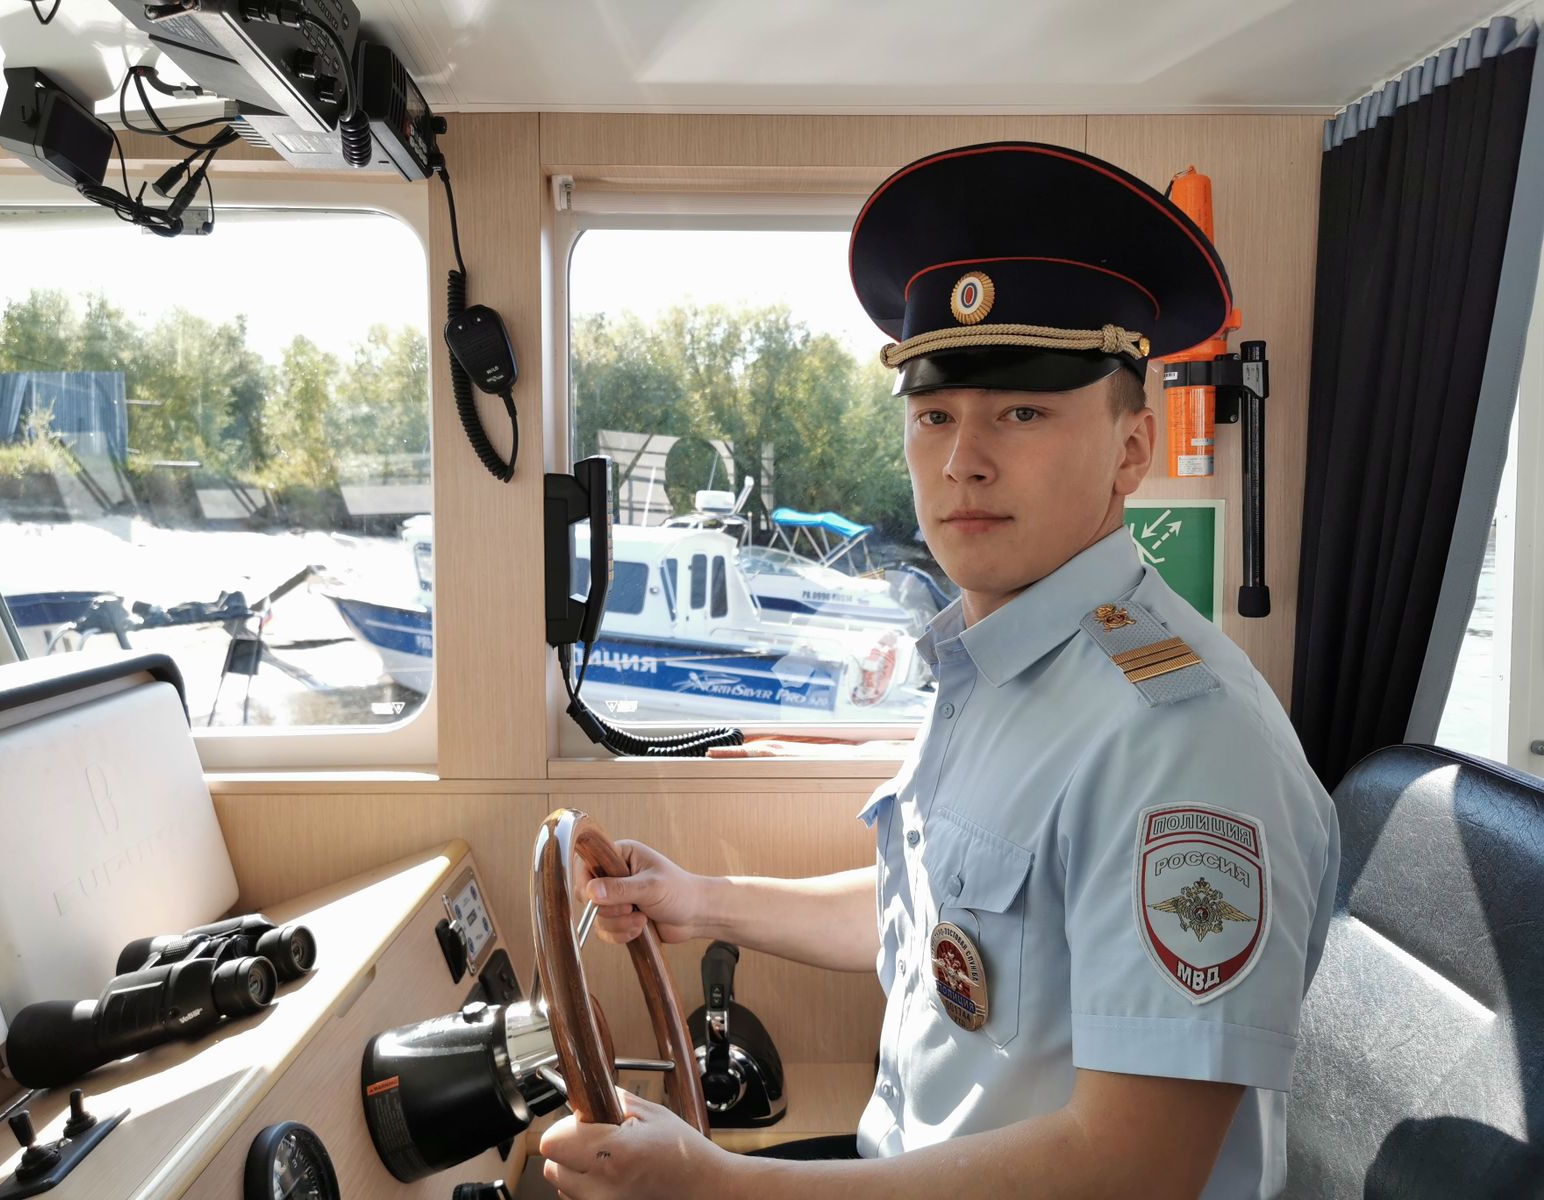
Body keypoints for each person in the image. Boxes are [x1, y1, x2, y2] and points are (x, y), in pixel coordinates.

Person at [539, 141, 1342, 1200]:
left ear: (1131, 449)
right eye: (933, 415)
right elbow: (938, 921)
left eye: (1022, 412)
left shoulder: (1180, 736)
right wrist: (703, 901)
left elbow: (1134, 1168)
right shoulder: (996, 667)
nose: (962, 459)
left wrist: (719, 1188)